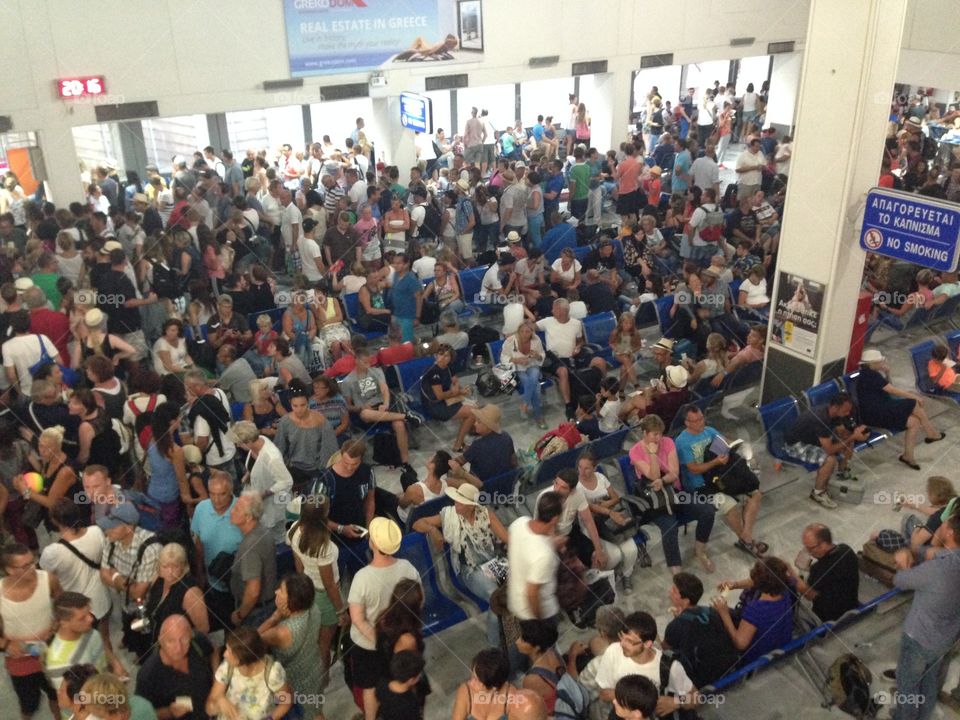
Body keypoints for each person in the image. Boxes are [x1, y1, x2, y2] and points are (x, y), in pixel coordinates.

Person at [412, 483, 508, 643]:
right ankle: (495, 643)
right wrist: (433, 530)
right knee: (496, 598)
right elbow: (417, 523)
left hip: (493, 563)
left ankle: (512, 634)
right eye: (456, 500)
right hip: (470, 570)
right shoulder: (449, 516)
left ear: (471, 505)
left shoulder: (486, 515)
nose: (456, 504)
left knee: (514, 591)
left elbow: (507, 538)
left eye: (461, 502)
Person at [348, 517, 421, 720]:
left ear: (373, 543)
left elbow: (357, 618)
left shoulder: (362, 577)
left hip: (368, 646)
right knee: (393, 679)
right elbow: (418, 601)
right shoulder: (407, 568)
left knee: (370, 686)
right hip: (399, 643)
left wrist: (380, 640)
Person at [889, 513, 960, 720]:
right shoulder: (949, 559)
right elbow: (938, 554)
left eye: (944, 522)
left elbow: (901, 580)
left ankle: (905, 716)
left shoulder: (936, 570)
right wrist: (914, 550)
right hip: (946, 637)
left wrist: (904, 563)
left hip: (919, 638)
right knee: (929, 682)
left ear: (949, 532)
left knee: (907, 686)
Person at [675, 405, 767, 564]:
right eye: (696, 421)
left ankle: (746, 536)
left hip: (721, 477)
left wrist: (731, 446)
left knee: (756, 494)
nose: (700, 423)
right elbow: (694, 469)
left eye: (702, 418)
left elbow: (724, 443)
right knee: (730, 505)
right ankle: (747, 540)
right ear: (687, 423)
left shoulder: (709, 431)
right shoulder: (682, 442)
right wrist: (715, 461)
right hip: (700, 485)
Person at [40, 499, 113, 656]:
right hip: (102, 599)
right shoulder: (96, 532)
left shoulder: (52, 552)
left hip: (76, 610)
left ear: (55, 521)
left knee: (85, 650)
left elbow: (46, 576)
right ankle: (113, 673)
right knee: (105, 641)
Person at [287, 494, 347, 685]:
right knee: (324, 641)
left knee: (314, 637)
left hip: (309, 590)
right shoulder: (324, 546)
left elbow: (299, 566)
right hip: (325, 596)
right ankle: (323, 677)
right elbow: (329, 583)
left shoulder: (295, 531)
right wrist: (340, 610)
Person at [593, 611, 697, 717]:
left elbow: (697, 697)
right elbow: (603, 694)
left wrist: (677, 702)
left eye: (630, 641)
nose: (622, 644)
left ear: (647, 644)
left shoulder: (670, 667)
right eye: (622, 637)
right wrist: (634, 696)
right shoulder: (613, 651)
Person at [0, 543, 61, 720]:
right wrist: (7, 644)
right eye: (25, 566)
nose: (33, 568)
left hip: (52, 653)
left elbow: (62, 604)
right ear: (9, 570)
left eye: (32, 562)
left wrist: (57, 624)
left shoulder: (48, 579)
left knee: (57, 697)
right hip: (21, 663)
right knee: (28, 705)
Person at [857, 348, 944, 470]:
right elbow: (893, 390)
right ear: (874, 363)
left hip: (882, 408)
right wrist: (915, 396)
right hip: (876, 413)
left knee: (914, 422)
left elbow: (889, 386)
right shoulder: (870, 376)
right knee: (913, 403)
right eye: (880, 362)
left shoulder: (871, 374)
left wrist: (887, 373)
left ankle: (908, 456)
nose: (882, 363)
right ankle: (931, 432)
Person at [96, 502, 162, 659]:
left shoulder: (150, 548)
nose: (107, 531)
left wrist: (116, 577)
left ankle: (143, 657)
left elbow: (139, 593)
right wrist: (121, 581)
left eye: (112, 526)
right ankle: (130, 640)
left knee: (145, 640)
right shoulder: (111, 540)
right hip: (125, 603)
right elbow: (103, 574)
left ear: (129, 527)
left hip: (147, 608)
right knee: (129, 625)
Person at [783, 391, 869, 509]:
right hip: (795, 445)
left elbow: (843, 433)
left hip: (814, 439)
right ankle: (818, 493)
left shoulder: (835, 414)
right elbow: (829, 450)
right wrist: (853, 437)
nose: (848, 413)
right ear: (835, 407)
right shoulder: (820, 418)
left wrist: (855, 433)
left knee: (848, 441)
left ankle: (842, 472)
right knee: (829, 460)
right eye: (846, 411)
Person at [257, 573, 325, 720]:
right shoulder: (313, 608)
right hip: (314, 667)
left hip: (294, 682)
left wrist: (275, 616)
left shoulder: (282, 632)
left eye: (281, 591)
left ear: (291, 601)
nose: (276, 592)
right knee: (316, 711)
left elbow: (252, 641)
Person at [310, 439, 375, 579]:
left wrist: (368, 526)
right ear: (341, 455)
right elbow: (315, 518)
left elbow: (370, 500)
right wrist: (341, 528)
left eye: (355, 464)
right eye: (346, 463)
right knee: (335, 577)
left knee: (360, 575)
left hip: (360, 537)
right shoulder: (325, 480)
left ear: (361, 459)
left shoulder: (367, 472)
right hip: (333, 542)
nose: (350, 468)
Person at [662, 572, 740, 688]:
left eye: (674, 590)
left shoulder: (675, 626)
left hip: (703, 679)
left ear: (686, 600)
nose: (670, 592)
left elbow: (666, 648)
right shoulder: (713, 611)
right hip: (730, 666)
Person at [713, 557, 796, 665]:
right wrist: (735, 584)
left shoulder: (756, 610)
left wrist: (724, 614)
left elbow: (740, 643)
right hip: (781, 645)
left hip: (758, 658)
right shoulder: (785, 588)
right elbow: (762, 580)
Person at [576, 451, 639, 590]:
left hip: (609, 522)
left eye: (586, 468)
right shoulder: (577, 486)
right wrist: (607, 508)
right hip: (592, 525)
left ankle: (626, 574)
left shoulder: (601, 478)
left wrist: (604, 505)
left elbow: (616, 497)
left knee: (631, 549)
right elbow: (588, 507)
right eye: (580, 467)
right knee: (614, 555)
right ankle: (606, 580)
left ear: (594, 467)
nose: (582, 471)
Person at [190, 470, 243, 633]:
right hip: (214, 583)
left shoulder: (243, 510)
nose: (216, 500)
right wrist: (200, 574)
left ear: (231, 491)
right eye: (212, 494)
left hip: (240, 585)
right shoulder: (201, 509)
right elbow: (199, 544)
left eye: (221, 494)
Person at [135, 614, 215, 720]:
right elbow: (141, 714)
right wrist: (169, 712)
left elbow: (213, 653)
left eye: (184, 639)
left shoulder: (198, 643)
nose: (178, 648)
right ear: (161, 641)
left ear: (191, 635)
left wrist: (216, 680)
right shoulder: (148, 675)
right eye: (171, 641)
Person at [206, 626, 292, 720]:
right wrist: (218, 702)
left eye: (230, 652)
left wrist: (270, 718)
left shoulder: (272, 673)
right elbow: (209, 709)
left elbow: (286, 702)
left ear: (243, 658)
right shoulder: (227, 666)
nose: (224, 654)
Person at [230, 421, 295, 542]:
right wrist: (248, 474)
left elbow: (286, 481)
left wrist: (263, 494)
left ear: (248, 441)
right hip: (261, 498)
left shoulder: (271, 457)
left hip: (275, 503)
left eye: (239, 443)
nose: (238, 446)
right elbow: (257, 465)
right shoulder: (259, 439)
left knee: (276, 537)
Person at [46, 591, 125, 686]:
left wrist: (115, 663)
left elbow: (100, 646)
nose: (90, 619)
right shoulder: (59, 663)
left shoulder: (85, 629)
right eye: (82, 618)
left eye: (89, 612)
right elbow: (73, 699)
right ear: (64, 623)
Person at [273, 379, 338, 493]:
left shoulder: (321, 421)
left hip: (316, 468)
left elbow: (329, 449)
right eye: (295, 406)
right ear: (290, 404)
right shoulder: (285, 422)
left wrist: (321, 472)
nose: (299, 409)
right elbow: (279, 447)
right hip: (293, 466)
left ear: (308, 403)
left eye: (302, 405)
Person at [507, 491, 562, 622]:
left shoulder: (519, 523)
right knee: (545, 642)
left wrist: (550, 542)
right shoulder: (544, 555)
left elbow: (525, 547)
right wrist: (539, 621)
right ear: (554, 519)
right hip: (534, 613)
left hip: (514, 603)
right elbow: (532, 593)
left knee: (519, 641)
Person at [452, 647, 547, 720]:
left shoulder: (512, 697)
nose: (470, 682)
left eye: (477, 680)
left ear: (494, 687)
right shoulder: (465, 691)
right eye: (472, 675)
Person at [143, 543, 209, 646]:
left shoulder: (191, 592)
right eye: (165, 566)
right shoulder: (158, 578)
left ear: (183, 566)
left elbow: (203, 629)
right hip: (156, 641)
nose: (170, 572)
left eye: (175, 566)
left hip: (177, 647)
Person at [229, 491, 278, 628]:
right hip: (266, 606)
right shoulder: (263, 531)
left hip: (254, 613)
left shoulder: (251, 546)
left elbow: (253, 590)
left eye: (237, 509)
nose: (232, 511)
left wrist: (240, 614)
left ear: (249, 517)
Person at [794, 524, 860, 622]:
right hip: (851, 603)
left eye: (810, 548)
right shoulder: (846, 549)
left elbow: (809, 594)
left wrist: (796, 573)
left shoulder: (818, 569)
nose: (807, 551)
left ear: (823, 545)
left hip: (829, 617)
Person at [501, 319, 548, 429]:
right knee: (534, 386)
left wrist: (537, 356)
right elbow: (503, 357)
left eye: (527, 331)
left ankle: (525, 404)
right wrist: (517, 360)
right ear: (518, 331)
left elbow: (541, 356)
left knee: (533, 376)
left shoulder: (536, 340)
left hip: (532, 365)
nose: (524, 334)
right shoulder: (510, 341)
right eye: (522, 331)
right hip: (519, 368)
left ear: (532, 332)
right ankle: (539, 416)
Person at [458, 404, 517, 481]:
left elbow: (459, 462)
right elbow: (514, 462)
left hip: (482, 487)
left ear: (488, 426)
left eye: (478, 422)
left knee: (452, 477)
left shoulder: (478, 445)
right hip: (505, 485)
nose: (475, 423)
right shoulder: (506, 437)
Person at [376, 651, 426, 720]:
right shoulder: (410, 703)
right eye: (419, 675)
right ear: (411, 680)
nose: (420, 677)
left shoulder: (382, 683)